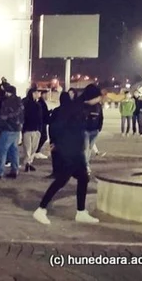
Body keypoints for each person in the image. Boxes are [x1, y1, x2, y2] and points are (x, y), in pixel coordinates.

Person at [33, 85, 101, 225]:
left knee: (83, 177)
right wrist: (56, 143)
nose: (99, 99)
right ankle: (41, 209)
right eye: (98, 97)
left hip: (76, 149)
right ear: (92, 96)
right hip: (69, 150)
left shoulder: (81, 106)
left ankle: (81, 212)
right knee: (62, 180)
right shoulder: (74, 107)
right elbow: (57, 125)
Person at [0, 85, 24, 179]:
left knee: (2, 150)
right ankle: (14, 170)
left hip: (7, 129)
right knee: (14, 150)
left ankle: (0, 172)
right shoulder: (20, 102)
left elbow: (2, 118)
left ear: (8, 92)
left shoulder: (6, 102)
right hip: (17, 129)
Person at [46, 92, 71, 179]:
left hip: (56, 137)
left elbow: (50, 122)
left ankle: (56, 172)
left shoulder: (57, 111)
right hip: (68, 137)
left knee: (56, 155)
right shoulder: (72, 111)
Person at [22, 88, 43, 173]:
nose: (39, 94)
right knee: (29, 148)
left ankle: (28, 163)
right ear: (33, 93)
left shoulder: (37, 104)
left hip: (34, 129)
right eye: (37, 92)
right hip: (29, 128)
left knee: (31, 148)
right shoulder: (27, 103)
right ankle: (28, 163)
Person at [83, 86, 104, 171]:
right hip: (86, 130)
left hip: (95, 130)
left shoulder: (98, 106)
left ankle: (86, 163)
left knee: (90, 148)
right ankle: (85, 165)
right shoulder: (84, 105)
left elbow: (101, 117)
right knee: (86, 148)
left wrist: (99, 128)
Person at [35, 91, 51, 159]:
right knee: (43, 137)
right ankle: (36, 151)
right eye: (45, 94)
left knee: (42, 137)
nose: (47, 95)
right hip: (42, 122)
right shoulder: (41, 103)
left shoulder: (41, 102)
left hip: (43, 122)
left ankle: (36, 151)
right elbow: (42, 113)